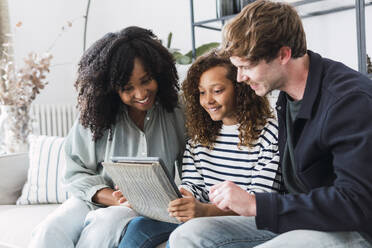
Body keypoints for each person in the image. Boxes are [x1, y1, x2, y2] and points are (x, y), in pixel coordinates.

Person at [166, 1, 372, 248]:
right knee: (188, 235)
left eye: (247, 66)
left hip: (354, 227)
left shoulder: (348, 101)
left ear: (283, 55)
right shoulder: (287, 96)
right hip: (304, 218)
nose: (240, 77)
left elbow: (357, 202)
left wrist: (255, 204)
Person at [29, 26, 186, 248]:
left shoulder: (177, 111)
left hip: (143, 209)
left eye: (146, 80)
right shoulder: (96, 116)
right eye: (128, 88)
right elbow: (76, 173)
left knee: (106, 224)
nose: (141, 94)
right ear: (111, 89)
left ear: (158, 72)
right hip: (96, 199)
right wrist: (113, 197)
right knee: (49, 230)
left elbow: (193, 166)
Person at [118, 51, 282, 248]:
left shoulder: (269, 133)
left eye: (217, 90)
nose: (208, 100)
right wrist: (172, 197)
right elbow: (194, 187)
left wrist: (205, 211)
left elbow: (260, 203)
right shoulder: (200, 136)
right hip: (206, 214)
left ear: (241, 88)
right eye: (202, 92)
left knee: (186, 235)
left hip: (252, 221)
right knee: (138, 227)